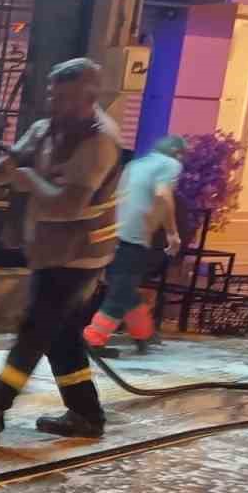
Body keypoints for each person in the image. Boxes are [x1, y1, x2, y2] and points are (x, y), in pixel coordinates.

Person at [0, 57, 123, 443]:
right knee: (61, 337)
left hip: (80, 257)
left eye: (66, 99)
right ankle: (87, 415)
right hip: (51, 251)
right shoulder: (45, 129)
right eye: (53, 97)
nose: (56, 105)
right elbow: (5, 169)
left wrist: (31, 181)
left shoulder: (99, 140)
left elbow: (69, 204)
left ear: (91, 97)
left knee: (35, 330)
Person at [84, 135, 185, 354]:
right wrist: (171, 233)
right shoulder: (171, 164)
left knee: (126, 289)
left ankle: (144, 334)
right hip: (133, 237)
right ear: (177, 153)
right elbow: (163, 195)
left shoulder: (135, 164)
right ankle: (93, 339)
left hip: (112, 234)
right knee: (121, 292)